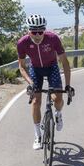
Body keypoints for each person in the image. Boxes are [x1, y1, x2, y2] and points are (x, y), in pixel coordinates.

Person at [17, 14, 74, 150]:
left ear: (44, 30)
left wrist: (67, 85)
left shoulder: (53, 39)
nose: (37, 35)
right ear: (28, 31)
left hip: (52, 67)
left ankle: (58, 114)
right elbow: (22, 66)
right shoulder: (22, 43)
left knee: (58, 99)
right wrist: (30, 82)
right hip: (35, 70)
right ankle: (38, 135)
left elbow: (65, 63)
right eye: (33, 32)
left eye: (40, 31)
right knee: (36, 102)